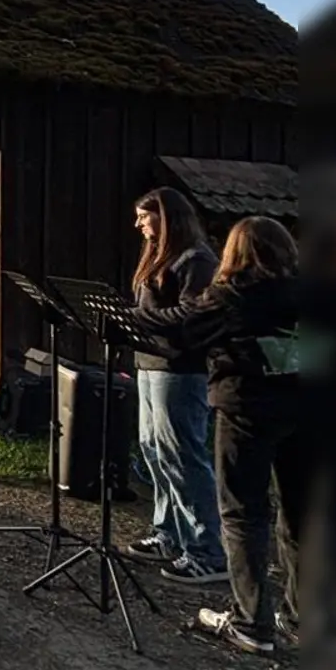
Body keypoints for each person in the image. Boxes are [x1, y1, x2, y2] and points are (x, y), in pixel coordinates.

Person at [123, 216, 307, 655]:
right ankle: (304, 619)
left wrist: (125, 315)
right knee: (300, 517)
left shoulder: (233, 295)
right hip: (307, 413)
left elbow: (180, 326)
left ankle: (252, 624)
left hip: (247, 412)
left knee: (244, 516)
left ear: (235, 253)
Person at [121, 188, 227, 585]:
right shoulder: (159, 257)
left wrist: (140, 318)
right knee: (153, 451)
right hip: (150, 363)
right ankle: (168, 532)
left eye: (145, 217)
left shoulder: (196, 260)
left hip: (180, 369)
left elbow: (192, 312)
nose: (139, 225)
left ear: (166, 219)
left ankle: (206, 550)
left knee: (182, 455)